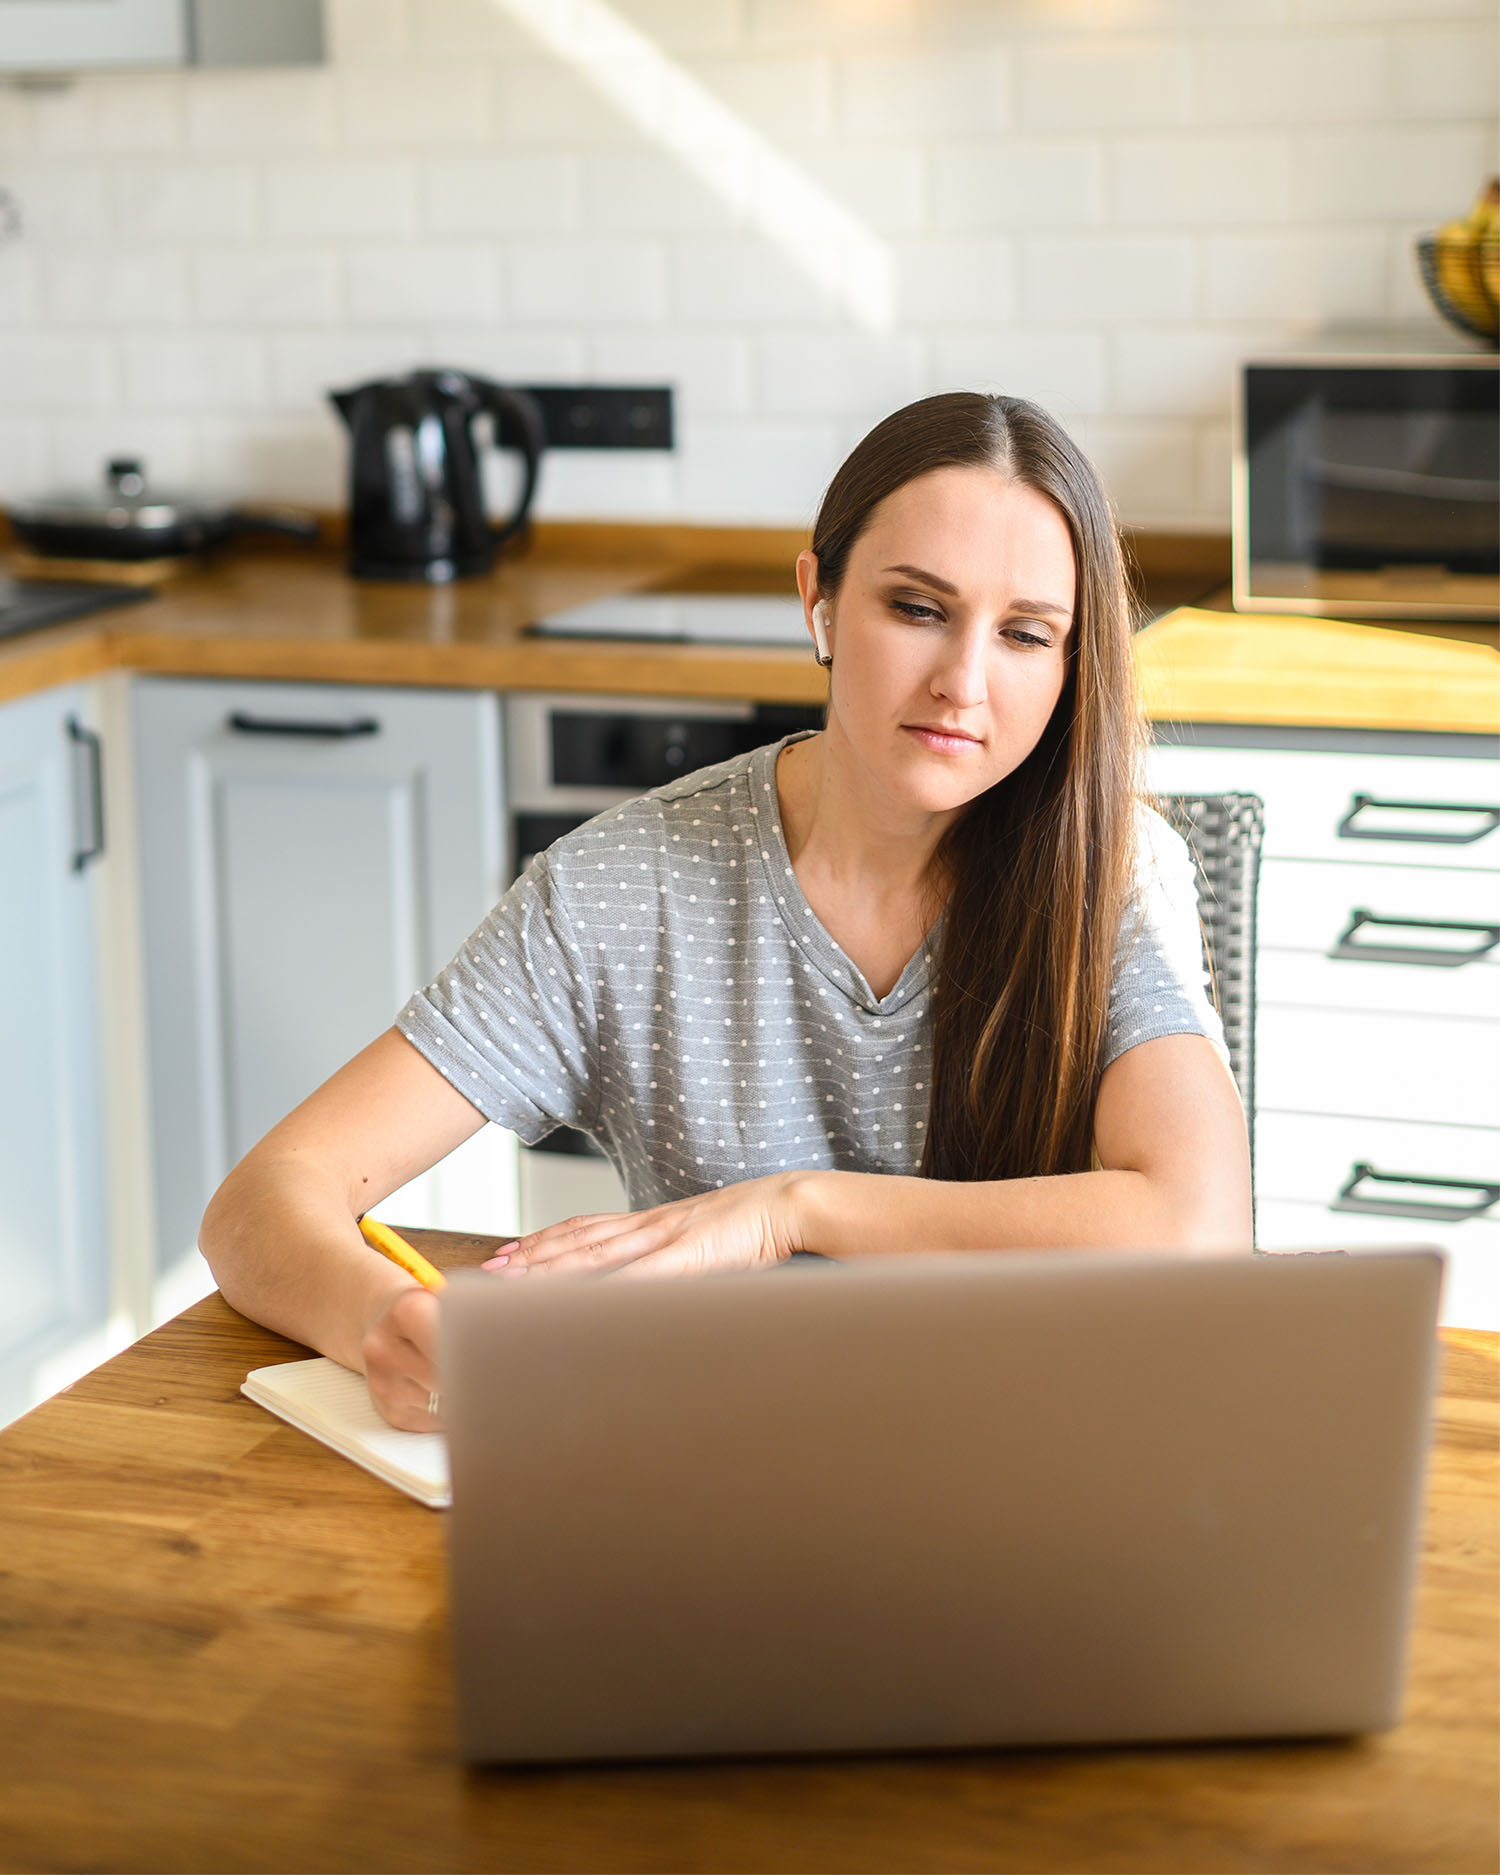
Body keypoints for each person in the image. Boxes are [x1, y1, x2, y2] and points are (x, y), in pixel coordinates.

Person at [201, 392, 1252, 1430]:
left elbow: (1199, 1230)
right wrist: (384, 1320)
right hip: (721, 1453)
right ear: (820, 603)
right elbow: (263, 1203)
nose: (963, 683)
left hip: (1041, 1447)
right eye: (918, 609)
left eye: (1027, 634)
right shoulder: (619, 888)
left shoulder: (1118, 871)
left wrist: (789, 1210)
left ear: (1073, 667)